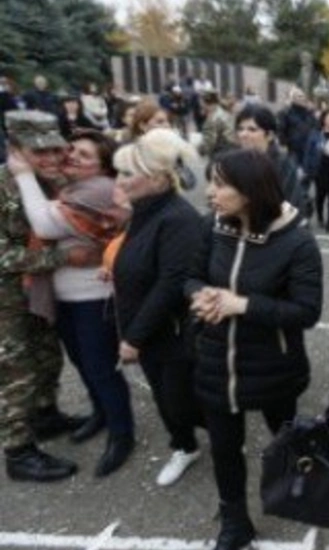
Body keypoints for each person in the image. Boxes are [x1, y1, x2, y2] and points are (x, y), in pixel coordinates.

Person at [185, 148, 323, 550]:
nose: (210, 192)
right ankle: (234, 519)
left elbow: (307, 311)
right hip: (215, 362)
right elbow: (190, 276)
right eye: (211, 182)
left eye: (219, 184)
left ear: (249, 191)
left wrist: (241, 304)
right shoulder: (210, 226)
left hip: (273, 365)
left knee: (284, 439)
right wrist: (200, 295)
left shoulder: (297, 242)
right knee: (225, 448)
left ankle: (298, 490)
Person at [8, 129, 135, 476]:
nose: (72, 157)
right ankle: (101, 415)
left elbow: (46, 225)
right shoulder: (67, 186)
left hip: (93, 299)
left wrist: (22, 175)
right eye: (72, 150)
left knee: (100, 368)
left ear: (103, 166)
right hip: (66, 298)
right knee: (82, 363)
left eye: (84, 155)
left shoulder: (100, 189)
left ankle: (122, 434)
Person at [1, 111, 99, 482]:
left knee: (46, 356)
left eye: (55, 149)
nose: (50, 159)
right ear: (15, 150)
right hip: (5, 299)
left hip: (34, 292)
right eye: (37, 152)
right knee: (15, 372)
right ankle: (18, 452)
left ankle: (45, 416)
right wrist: (61, 257)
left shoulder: (47, 182)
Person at [112, 128, 204, 487]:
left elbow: (171, 284)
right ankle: (186, 442)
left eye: (127, 173)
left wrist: (133, 338)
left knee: (176, 400)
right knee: (170, 399)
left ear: (157, 178)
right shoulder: (145, 209)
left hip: (172, 335)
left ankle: (191, 443)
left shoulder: (178, 218)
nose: (119, 180)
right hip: (152, 332)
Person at [234, 103, 306, 216]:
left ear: (270, 135)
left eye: (252, 129)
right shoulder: (232, 162)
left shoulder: (283, 165)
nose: (243, 134)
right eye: (240, 129)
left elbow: (291, 205)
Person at [198, 91, 235, 159]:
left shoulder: (212, 119)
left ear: (205, 103)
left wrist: (199, 150)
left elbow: (209, 143)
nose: (200, 105)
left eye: (201, 102)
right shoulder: (222, 112)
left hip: (220, 155)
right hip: (230, 151)